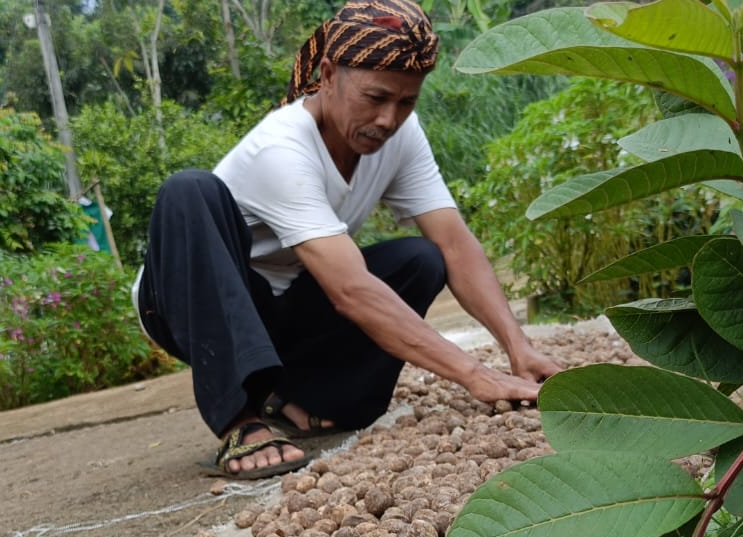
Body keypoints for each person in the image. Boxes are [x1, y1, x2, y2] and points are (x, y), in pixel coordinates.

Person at [136, 0, 561, 480]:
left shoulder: (399, 136)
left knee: (420, 259)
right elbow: (350, 291)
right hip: (193, 307)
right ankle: (241, 418)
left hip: (285, 308)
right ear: (329, 74)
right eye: (376, 97)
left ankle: (297, 396)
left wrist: (516, 347)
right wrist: (475, 375)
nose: (388, 119)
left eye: (406, 102)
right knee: (187, 190)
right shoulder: (282, 148)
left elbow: (455, 244)